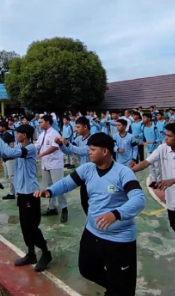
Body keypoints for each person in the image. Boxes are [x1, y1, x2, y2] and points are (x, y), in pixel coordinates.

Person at [34, 133, 145, 296]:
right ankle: (115, 287)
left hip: (119, 239)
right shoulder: (87, 169)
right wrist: (49, 191)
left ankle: (119, 289)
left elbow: (139, 199)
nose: (89, 153)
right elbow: (66, 183)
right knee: (87, 269)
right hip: (92, 232)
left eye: (93, 149)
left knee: (125, 286)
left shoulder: (123, 172)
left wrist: (116, 214)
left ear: (105, 151)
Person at [0, 125, 52, 272]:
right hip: (22, 192)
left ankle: (46, 253)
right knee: (24, 226)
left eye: (19, 133)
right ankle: (31, 253)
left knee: (32, 226)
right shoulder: (21, 148)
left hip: (31, 193)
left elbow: (9, 151)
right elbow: (3, 153)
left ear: (25, 135)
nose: (17, 135)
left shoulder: (30, 148)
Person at [132, 123, 175, 232]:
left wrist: (173, 180)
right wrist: (130, 170)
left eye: (169, 136)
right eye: (165, 135)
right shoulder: (162, 148)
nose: (166, 138)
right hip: (171, 200)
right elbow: (146, 162)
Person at [35, 115, 68, 223]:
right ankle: (52, 207)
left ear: (48, 122)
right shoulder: (42, 134)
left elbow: (55, 147)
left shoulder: (54, 133)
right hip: (45, 163)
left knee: (59, 186)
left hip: (54, 164)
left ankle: (64, 208)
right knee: (48, 187)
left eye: (41, 122)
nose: (40, 124)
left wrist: (42, 154)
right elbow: (37, 146)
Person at [55, 116, 91, 215]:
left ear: (85, 127)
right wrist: (61, 145)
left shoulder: (92, 138)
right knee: (84, 201)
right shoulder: (79, 139)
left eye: (78, 127)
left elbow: (83, 151)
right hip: (82, 174)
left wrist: (67, 144)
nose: (76, 129)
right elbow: (70, 151)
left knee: (93, 201)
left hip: (92, 174)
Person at [140, 113, 161, 187]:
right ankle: (154, 180)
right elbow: (143, 136)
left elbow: (159, 138)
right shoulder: (143, 127)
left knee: (157, 166)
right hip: (148, 149)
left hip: (155, 149)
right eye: (142, 117)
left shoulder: (154, 127)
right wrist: (142, 140)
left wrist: (153, 141)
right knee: (150, 165)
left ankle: (159, 181)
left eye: (145, 117)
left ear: (149, 118)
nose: (143, 119)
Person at [0, 121, 16, 200]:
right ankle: (12, 193)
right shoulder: (2, 135)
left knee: (12, 176)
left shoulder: (8, 135)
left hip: (10, 158)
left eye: (0, 127)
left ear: (4, 127)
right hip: (4, 158)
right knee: (7, 177)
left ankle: (18, 193)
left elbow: (12, 146)